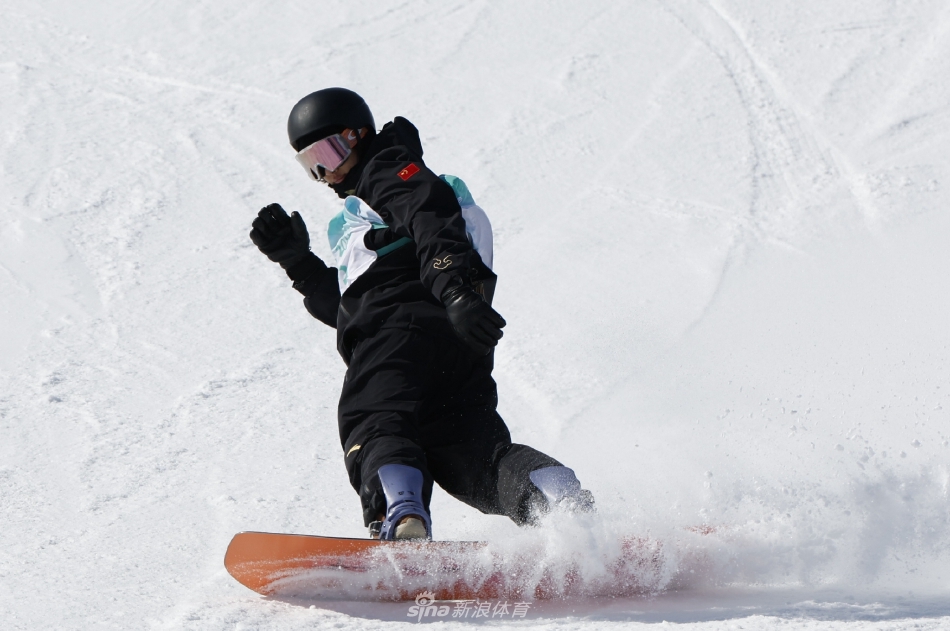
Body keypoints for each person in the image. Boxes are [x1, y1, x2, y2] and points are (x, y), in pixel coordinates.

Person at [249, 87, 593, 540]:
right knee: (472, 456)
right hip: (457, 344)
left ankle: (401, 515)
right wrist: (299, 263)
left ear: (358, 136)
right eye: (311, 164)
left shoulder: (392, 169)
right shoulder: (368, 213)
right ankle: (557, 500)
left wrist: (452, 288)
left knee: (375, 420)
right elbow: (354, 309)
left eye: (329, 153)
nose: (325, 174)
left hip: (406, 332)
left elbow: (430, 220)